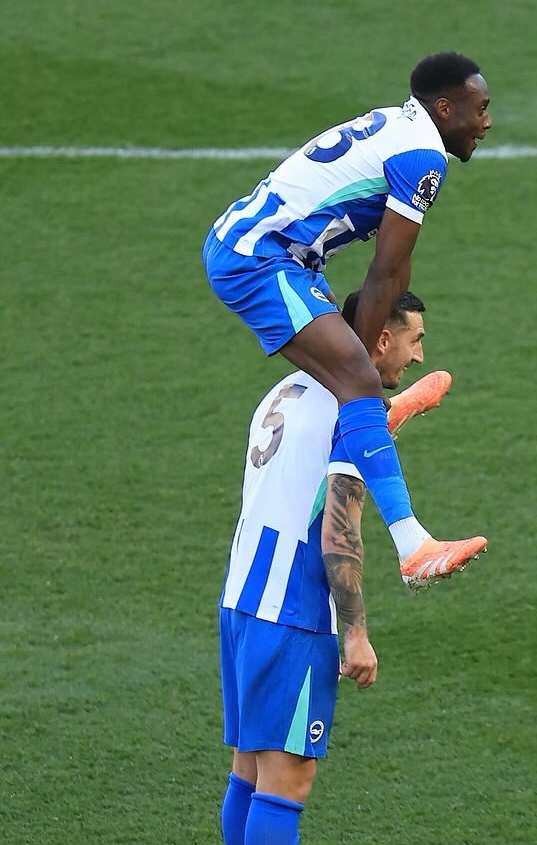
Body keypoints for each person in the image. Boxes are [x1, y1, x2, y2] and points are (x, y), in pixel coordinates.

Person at [220, 292, 450, 845]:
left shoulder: (288, 386)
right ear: (376, 340)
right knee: (286, 779)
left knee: (250, 772)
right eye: (411, 340)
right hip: (292, 611)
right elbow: (338, 532)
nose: (417, 356)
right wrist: (355, 631)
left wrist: (381, 421)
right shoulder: (349, 411)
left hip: (241, 595)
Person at [202, 51, 492, 589]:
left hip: (280, 255)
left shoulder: (401, 127)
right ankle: (412, 546)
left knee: (350, 378)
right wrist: (362, 364)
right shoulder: (423, 157)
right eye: (479, 109)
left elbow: (396, 269)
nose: (486, 122)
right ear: (446, 107)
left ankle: (374, 417)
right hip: (259, 258)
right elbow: (384, 271)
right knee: (354, 378)